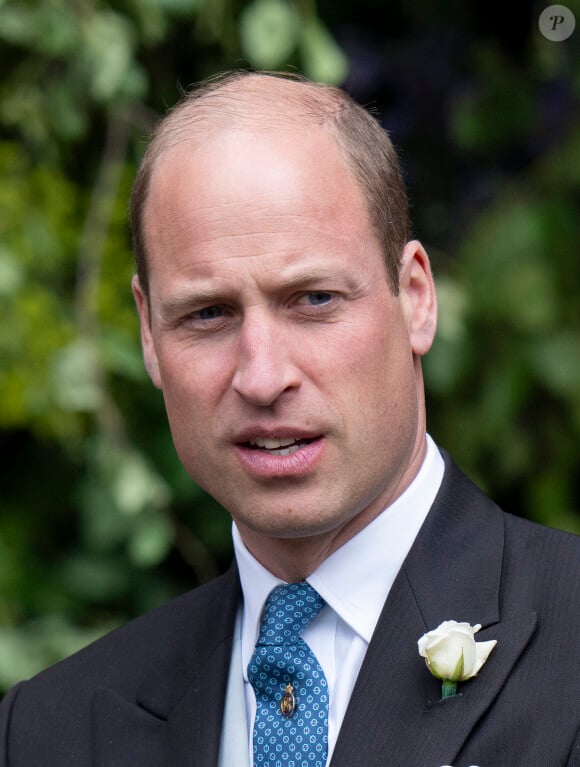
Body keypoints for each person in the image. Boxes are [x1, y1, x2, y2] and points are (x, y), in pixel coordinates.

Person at [0, 70, 579, 767]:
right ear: (149, 336)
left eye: (313, 299)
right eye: (207, 314)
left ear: (416, 298)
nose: (264, 376)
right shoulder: (52, 731)